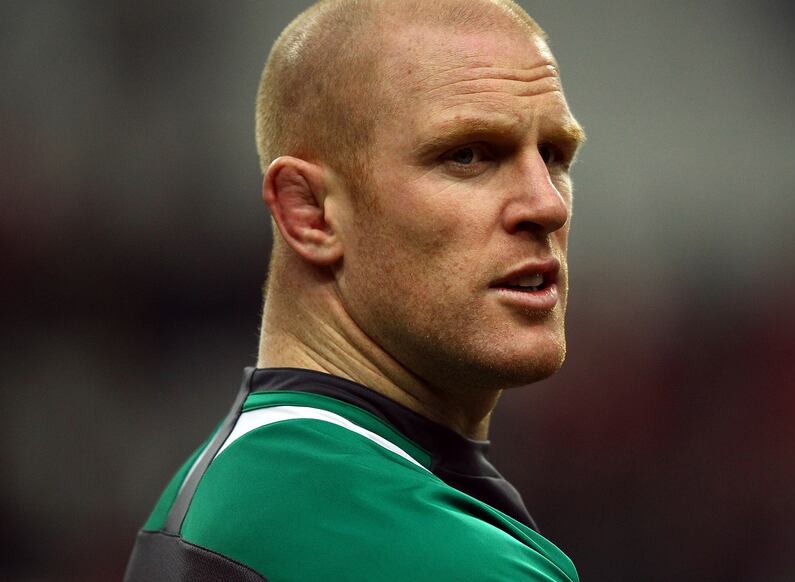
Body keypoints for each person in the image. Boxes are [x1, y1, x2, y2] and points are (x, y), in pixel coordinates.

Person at [123, 0, 585, 580]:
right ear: (310, 212)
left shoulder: (230, 484)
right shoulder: (419, 552)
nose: (547, 204)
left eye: (553, 155)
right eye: (468, 155)